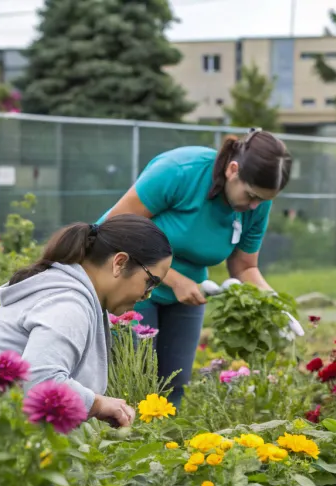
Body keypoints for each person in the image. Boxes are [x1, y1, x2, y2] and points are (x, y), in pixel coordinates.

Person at [99, 129, 293, 407]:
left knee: (175, 385)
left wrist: (274, 303)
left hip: (188, 294)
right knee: (133, 379)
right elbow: (112, 229)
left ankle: (164, 449)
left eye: (263, 200)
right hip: (129, 282)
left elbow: (244, 265)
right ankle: (119, 445)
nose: (254, 206)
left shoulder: (256, 204)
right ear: (232, 170)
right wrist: (174, 280)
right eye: (251, 195)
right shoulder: (181, 171)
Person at [0, 215, 173, 428]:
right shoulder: (68, 304)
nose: (148, 295)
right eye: (150, 282)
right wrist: (98, 404)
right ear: (119, 263)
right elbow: (40, 382)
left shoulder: (70, 293)